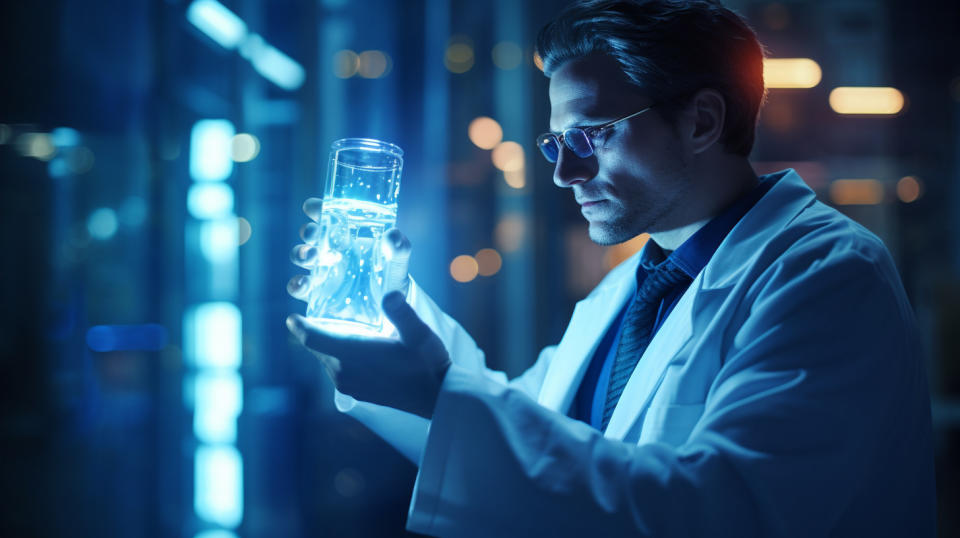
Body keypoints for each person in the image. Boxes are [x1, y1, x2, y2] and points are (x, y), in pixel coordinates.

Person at [287, 0, 936, 535]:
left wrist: (438, 391)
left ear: (703, 120)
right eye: (555, 143)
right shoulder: (630, 290)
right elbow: (528, 433)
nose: (566, 173)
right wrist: (390, 306)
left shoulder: (826, 276)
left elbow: (722, 514)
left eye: (593, 134)